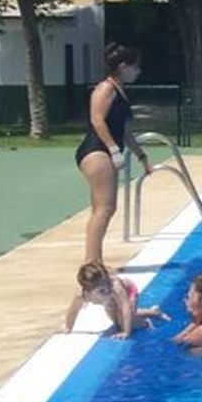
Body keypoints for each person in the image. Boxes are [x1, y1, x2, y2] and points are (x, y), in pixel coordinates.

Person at [75, 43, 148, 265]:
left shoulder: (119, 90)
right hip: (97, 151)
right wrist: (114, 149)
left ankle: (95, 262)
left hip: (104, 151)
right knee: (105, 209)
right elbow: (97, 119)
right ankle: (91, 264)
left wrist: (141, 155)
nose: (138, 71)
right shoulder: (105, 88)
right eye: (135, 67)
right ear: (123, 66)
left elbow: (123, 130)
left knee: (103, 209)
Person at [63, 261, 168, 338]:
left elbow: (125, 307)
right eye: (102, 290)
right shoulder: (81, 295)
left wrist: (127, 332)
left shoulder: (115, 286)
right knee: (117, 322)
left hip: (129, 292)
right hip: (109, 302)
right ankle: (153, 311)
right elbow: (73, 311)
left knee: (126, 322)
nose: (107, 289)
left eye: (107, 283)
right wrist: (68, 328)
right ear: (89, 291)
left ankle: (146, 322)